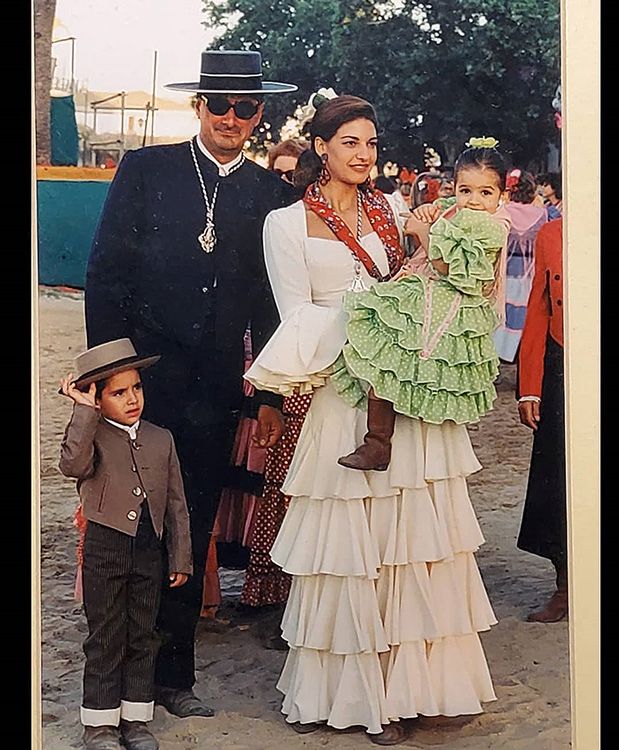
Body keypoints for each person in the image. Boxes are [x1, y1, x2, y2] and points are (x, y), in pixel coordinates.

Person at [245, 96, 498, 746]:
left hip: (407, 392)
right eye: (349, 142)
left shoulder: (392, 211)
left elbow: (442, 273)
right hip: (344, 389)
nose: (362, 154)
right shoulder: (286, 223)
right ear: (321, 147)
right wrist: (368, 322)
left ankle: (415, 688)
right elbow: (295, 314)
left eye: (369, 142)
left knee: (410, 545)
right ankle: (363, 702)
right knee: (352, 553)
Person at [84, 49, 298, 719]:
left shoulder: (272, 194)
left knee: (189, 527)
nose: (231, 118)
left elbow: (272, 304)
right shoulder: (146, 170)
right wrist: (111, 375)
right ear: (197, 105)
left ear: (260, 113)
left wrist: (265, 393)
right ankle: (118, 679)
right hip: (142, 386)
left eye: (246, 108)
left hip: (214, 391)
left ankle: (174, 678)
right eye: (219, 104)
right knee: (127, 532)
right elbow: (105, 274)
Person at [337, 138, 510, 472]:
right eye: (465, 191)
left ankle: (380, 443)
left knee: (391, 364)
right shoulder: (457, 211)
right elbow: (440, 213)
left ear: (501, 196)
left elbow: (454, 269)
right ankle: (378, 443)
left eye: (485, 193)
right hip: (426, 297)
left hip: (446, 307)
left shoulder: (489, 226)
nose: (473, 201)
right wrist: (431, 213)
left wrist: (423, 232)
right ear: (455, 188)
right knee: (383, 365)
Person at [58, 338, 193, 750]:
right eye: (118, 392)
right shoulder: (90, 435)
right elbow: (71, 465)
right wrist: (83, 411)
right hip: (105, 547)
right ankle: (99, 724)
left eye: (136, 388)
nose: (132, 399)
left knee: (143, 634)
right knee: (105, 636)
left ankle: (135, 719)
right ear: (98, 398)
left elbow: (176, 505)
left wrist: (181, 557)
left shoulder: (161, 438)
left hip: (148, 550)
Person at [516, 217, 568, 622]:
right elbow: (538, 307)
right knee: (558, 476)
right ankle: (566, 586)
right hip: (561, 362)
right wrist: (530, 385)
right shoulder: (551, 234)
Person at [493, 168, 547, 363]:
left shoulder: (501, 213)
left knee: (502, 314)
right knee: (523, 315)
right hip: (529, 274)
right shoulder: (543, 214)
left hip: (504, 273)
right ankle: (518, 354)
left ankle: (499, 353)